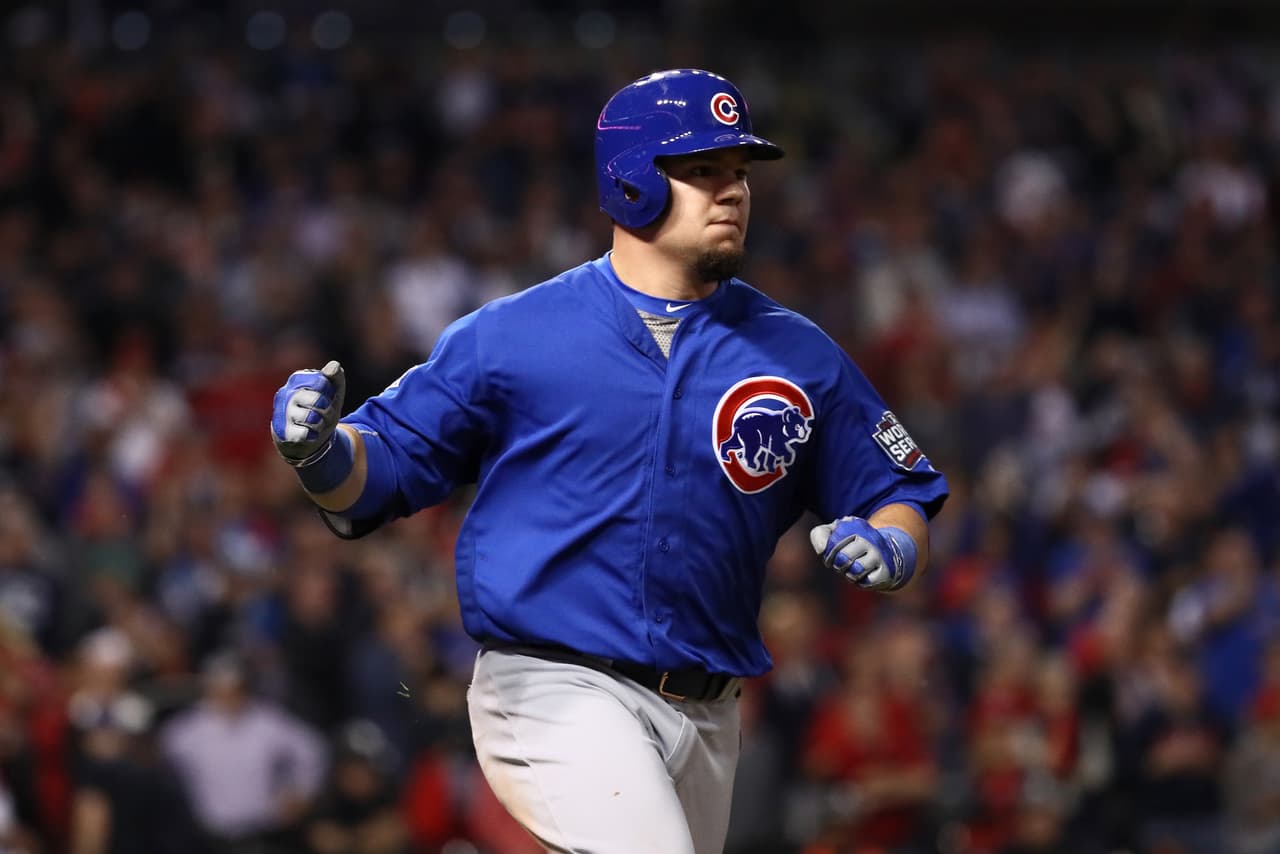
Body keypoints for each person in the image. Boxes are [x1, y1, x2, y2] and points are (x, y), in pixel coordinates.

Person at [269, 68, 949, 854]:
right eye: (702, 171)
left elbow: (900, 488)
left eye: (739, 173)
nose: (732, 191)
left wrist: (896, 545)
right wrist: (322, 454)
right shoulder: (513, 335)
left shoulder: (798, 353)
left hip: (709, 709)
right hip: (554, 682)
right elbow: (379, 474)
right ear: (630, 180)